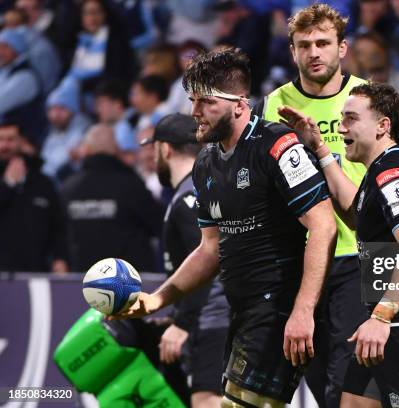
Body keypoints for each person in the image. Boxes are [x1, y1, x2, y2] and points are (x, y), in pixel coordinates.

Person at [114, 48, 338, 407]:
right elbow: (209, 249)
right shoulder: (205, 164)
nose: (195, 112)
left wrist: (302, 310)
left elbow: (323, 226)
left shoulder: (278, 145)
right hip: (245, 310)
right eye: (192, 101)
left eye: (205, 102)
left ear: (239, 103)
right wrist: (160, 298)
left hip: (282, 306)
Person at [253, 4, 399, 407]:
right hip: (295, 264)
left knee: (345, 388)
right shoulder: (271, 107)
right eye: (304, 45)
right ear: (292, 52)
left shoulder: (367, 103)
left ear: (342, 48)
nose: (314, 52)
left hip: (354, 264)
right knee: (324, 385)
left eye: (323, 43)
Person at [278, 82, 399, 408]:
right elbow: (355, 212)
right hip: (385, 329)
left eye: (350, 119)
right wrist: (319, 150)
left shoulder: (394, 173)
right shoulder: (378, 172)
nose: (341, 127)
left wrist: (383, 316)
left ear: (383, 126)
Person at [140, 113, 230, 407]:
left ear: (164, 149)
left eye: (153, 150)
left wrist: (183, 323)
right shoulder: (205, 187)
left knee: (207, 401)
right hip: (218, 316)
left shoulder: (189, 197)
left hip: (214, 319)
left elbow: (209, 260)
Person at [61, 124, 163, 272]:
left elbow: (60, 237)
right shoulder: (131, 185)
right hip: (129, 282)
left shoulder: (68, 189)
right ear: (116, 149)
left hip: (84, 282)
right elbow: (158, 224)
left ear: (87, 149)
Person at [0, 123, 68, 273]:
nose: (4, 145)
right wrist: (8, 185)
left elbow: (58, 226)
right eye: (1, 140)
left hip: (37, 271)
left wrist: (60, 257)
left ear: (22, 142)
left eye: (10, 139)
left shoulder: (43, 183)